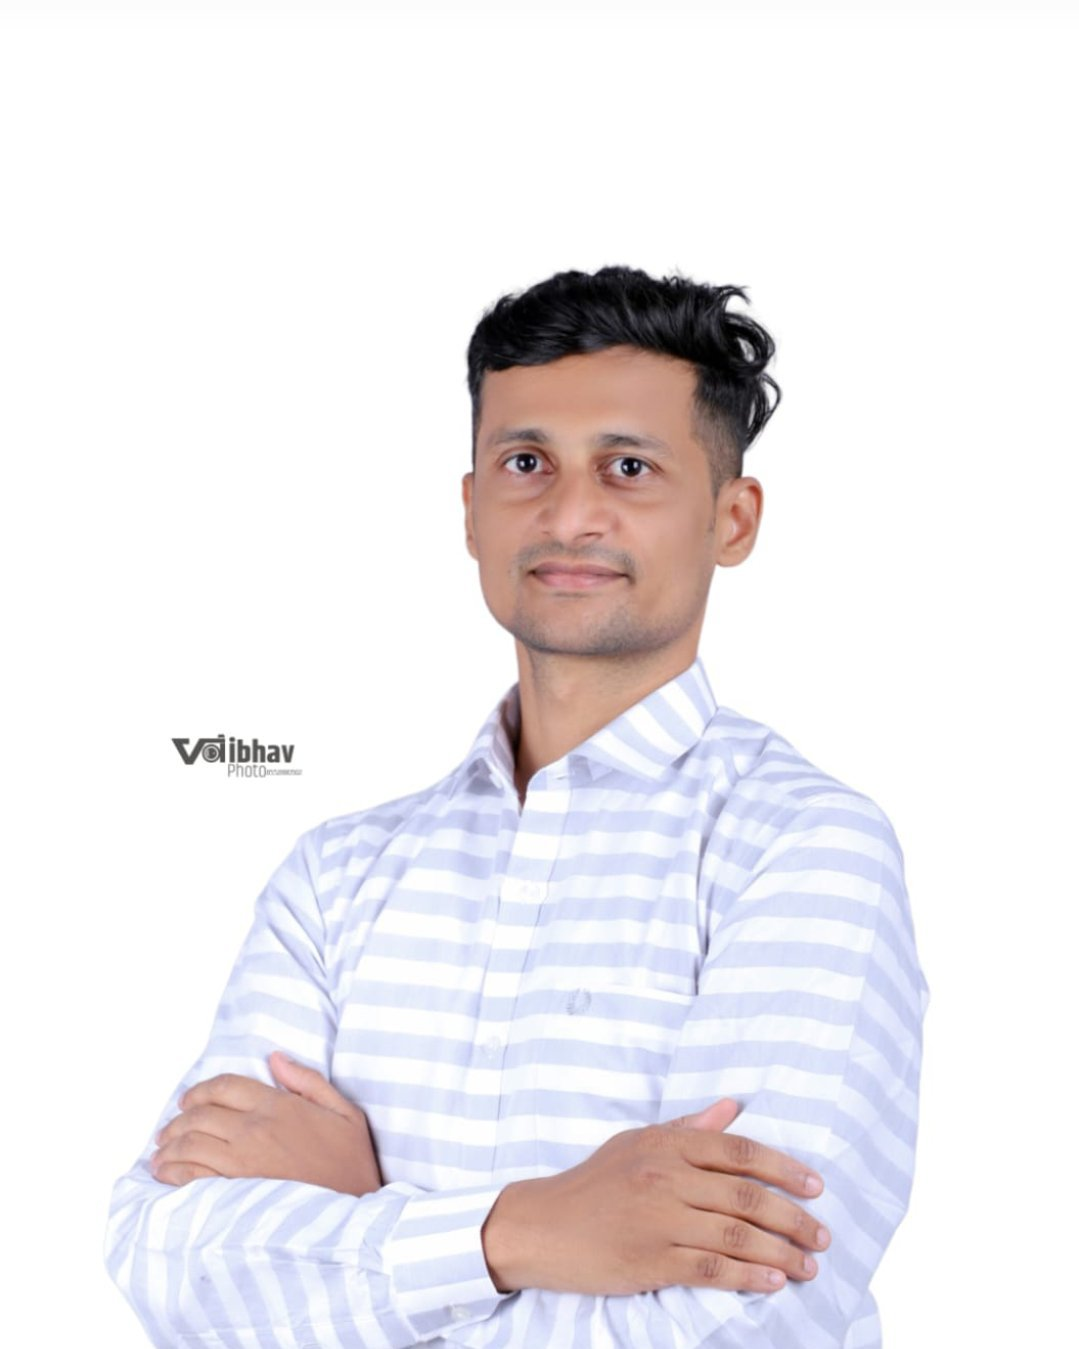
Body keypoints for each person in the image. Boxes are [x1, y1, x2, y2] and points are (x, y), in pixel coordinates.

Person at [105, 265, 928, 1348]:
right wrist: (523, 1229)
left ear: (731, 520)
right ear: (470, 508)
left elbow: (736, 1322)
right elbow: (167, 1260)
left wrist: (359, 1217)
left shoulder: (805, 847)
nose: (570, 513)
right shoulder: (333, 875)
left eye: (628, 466)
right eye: (525, 462)